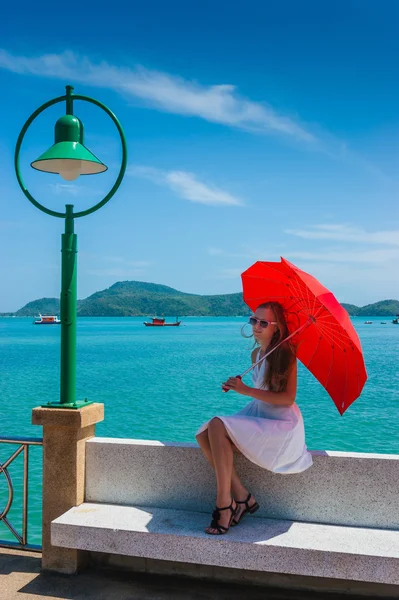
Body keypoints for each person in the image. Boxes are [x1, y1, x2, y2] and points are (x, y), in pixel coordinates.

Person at [195, 301, 313, 535]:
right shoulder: (256, 354)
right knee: (205, 434)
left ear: (276, 328)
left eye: (263, 322)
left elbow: (288, 398)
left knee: (218, 424)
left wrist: (245, 390)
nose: (256, 326)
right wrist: (239, 386)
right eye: (253, 320)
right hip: (261, 412)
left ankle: (224, 505)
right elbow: (260, 392)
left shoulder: (286, 353)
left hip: (282, 424)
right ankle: (242, 497)